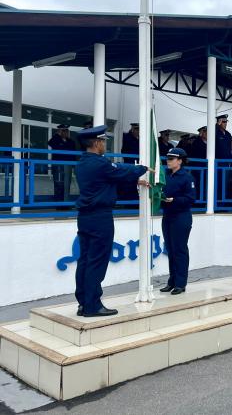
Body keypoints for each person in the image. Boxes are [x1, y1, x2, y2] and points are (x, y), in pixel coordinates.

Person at [75, 125, 148, 317]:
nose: (104, 145)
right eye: (103, 142)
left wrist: (134, 181)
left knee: (84, 260)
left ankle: (83, 302)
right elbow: (120, 170)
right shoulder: (100, 164)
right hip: (100, 218)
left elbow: (107, 179)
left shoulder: (82, 163)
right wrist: (142, 168)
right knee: (96, 262)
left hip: (85, 217)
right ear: (97, 143)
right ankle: (93, 305)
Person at [159, 148, 195, 295]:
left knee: (179, 250)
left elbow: (190, 199)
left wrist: (175, 200)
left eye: (171, 159)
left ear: (180, 161)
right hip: (167, 215)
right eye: (167, 158)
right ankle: (172, 281)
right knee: (171, 250)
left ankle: (180, 283)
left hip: (181, 216)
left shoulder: (187, 177)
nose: (168, 161)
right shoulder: (165, 175)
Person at [48, 124, 77, 203]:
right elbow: (50, 143)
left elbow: (73, 154)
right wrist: (58, 134)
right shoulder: (56, 140)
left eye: (67, 131)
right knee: (58, 184)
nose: (66, 133)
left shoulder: (71, 142)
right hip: (58, 166)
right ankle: (59, 203)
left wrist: (74, 166)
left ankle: (66, 203)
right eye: (63, 131)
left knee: (67, 185)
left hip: (68, 166)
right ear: (60, 131)